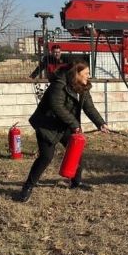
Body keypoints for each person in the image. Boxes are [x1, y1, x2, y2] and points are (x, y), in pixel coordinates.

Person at [17, 58, 110, 202]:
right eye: (86, 73)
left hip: (65, 125)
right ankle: (27, 187)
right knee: (46, 157)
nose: (88, 76)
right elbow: (57, 106)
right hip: (47, 125)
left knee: (76, 151)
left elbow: (89, 107)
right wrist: (74, 124)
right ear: (76, 74)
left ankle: (76, 182)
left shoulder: (83, 87)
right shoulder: (59, 85)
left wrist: (100, 123)